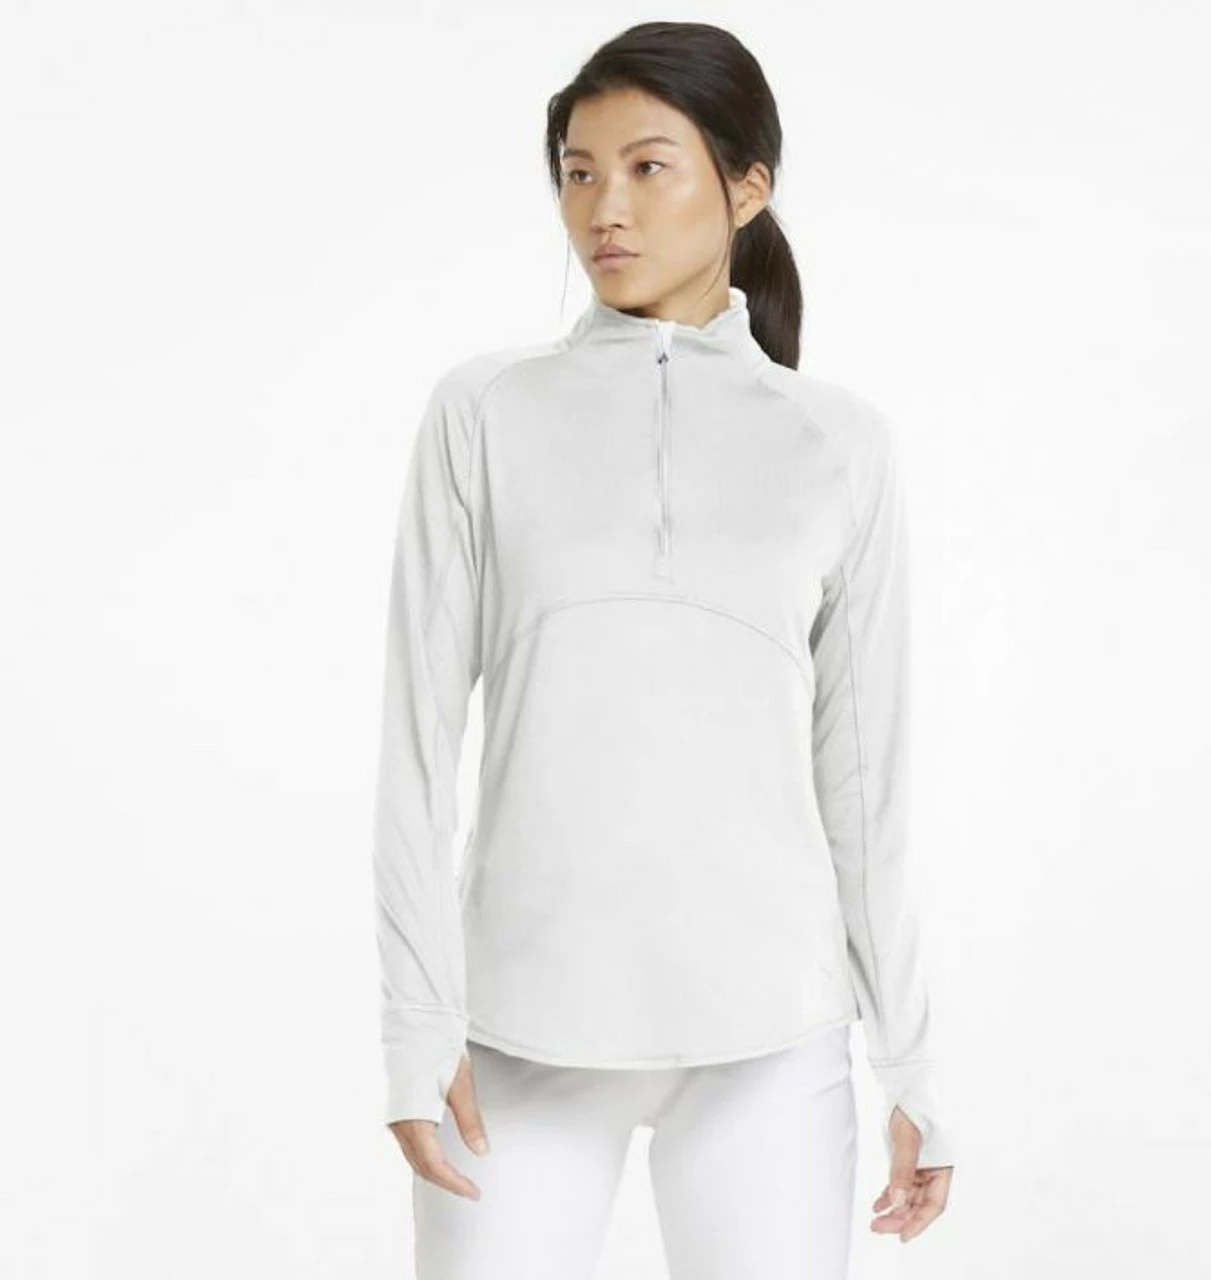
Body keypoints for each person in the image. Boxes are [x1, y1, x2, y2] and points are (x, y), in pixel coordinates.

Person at [370, 20, 957, 1279]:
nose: (603, 209)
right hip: (516, 1035)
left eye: (647, 167)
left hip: (769, 1036)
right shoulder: (482, 412)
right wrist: (415, 1024)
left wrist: (907, 1058)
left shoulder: (835, 442)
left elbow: (863, 779)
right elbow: (415, 750)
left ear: (746, 186)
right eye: (577, 172)